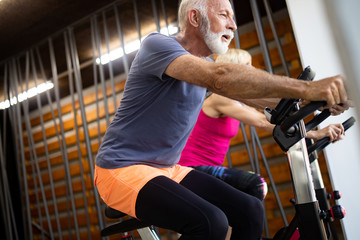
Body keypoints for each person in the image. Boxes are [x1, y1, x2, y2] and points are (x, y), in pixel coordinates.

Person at [94, 0, 350, 239]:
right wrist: (306, 89)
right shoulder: (158, 45)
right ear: (194, 17)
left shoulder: (204, 64)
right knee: (210, 221)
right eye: (223, 15)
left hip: (168, 169)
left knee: (250, 210)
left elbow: (257, 100)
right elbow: (219, 76)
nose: (233, 25)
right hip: (120, 168)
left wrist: (313, 103)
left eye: (233, 17)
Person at [178, 48, 346, 202]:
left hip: (210, 168)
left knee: (231, 216)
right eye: (247, 67)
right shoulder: (220, 98)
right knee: (256, 184)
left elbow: (277, 109)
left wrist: (320, 105)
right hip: (191, 168)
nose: (253, 71)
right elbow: (261, 121)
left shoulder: (240, 100)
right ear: (235, 69)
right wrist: (315, 133)